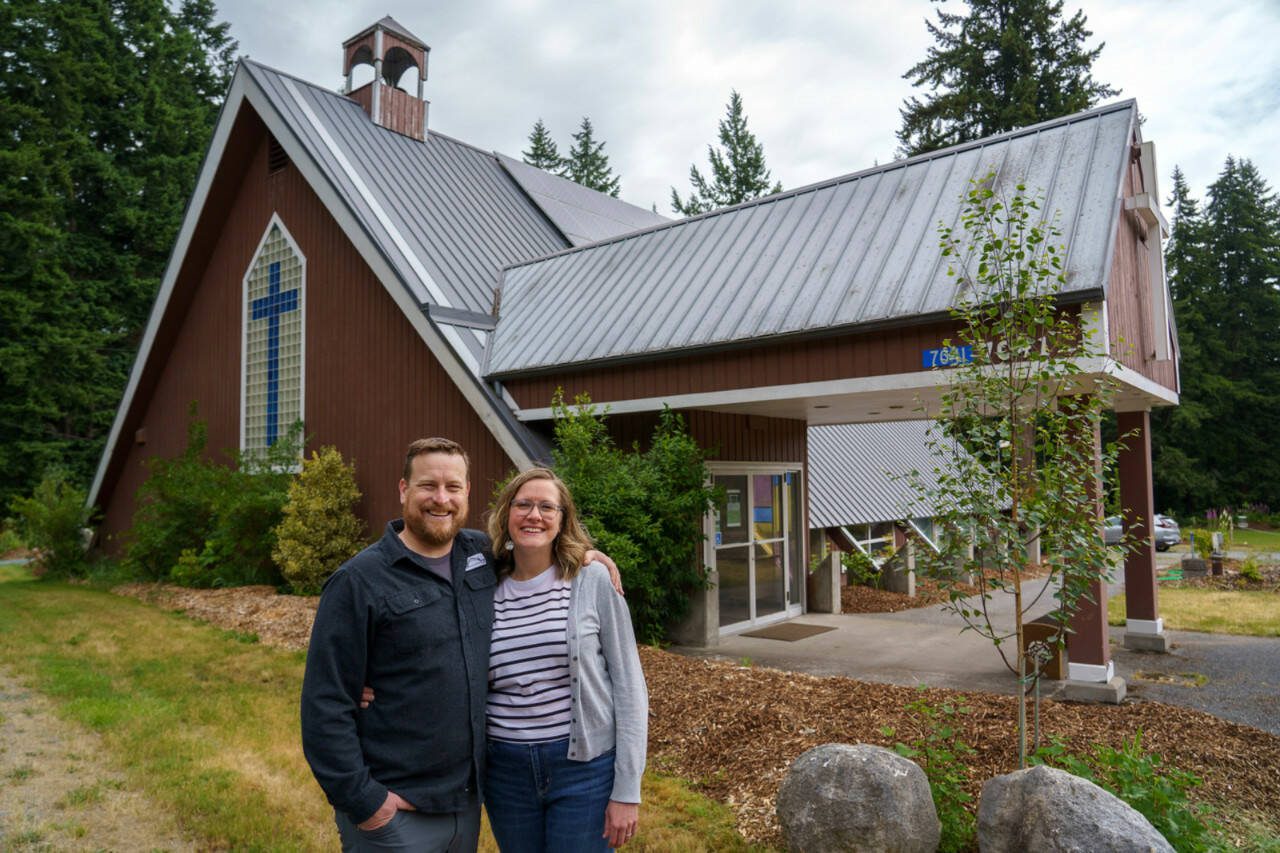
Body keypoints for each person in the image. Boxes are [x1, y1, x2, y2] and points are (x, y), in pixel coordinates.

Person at [300, 439, 619, 853]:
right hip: (394, 809)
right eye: (427, 486)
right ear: (403, 489)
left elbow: (535, 546)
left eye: (453, 487)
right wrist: (366, 803)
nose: (441, 499)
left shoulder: (481, 557)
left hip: (465, 804)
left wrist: (586, 554)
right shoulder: (359, 582)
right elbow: (325, 704)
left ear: (467, 493)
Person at [482, 468, 647, 852]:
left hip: (583, 770)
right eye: (523, 504)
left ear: (562, 520)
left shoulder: (592, 580)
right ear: (507, 514)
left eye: (546, 507)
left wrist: (627, 788)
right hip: (504, 773)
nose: (534, 515)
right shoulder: (481, 584)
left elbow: (629, 686)